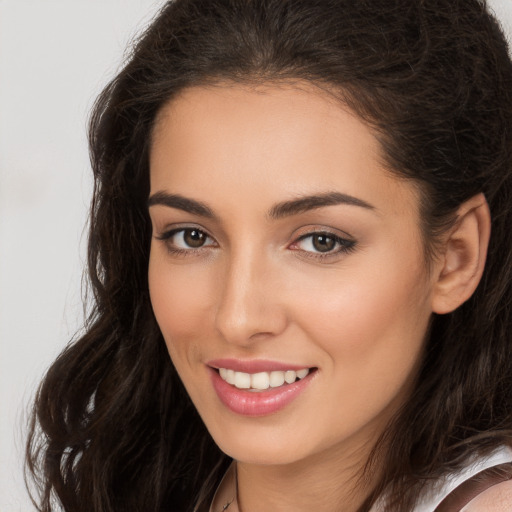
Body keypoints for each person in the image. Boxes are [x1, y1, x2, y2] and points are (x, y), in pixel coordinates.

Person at [25, 0, 512, 511]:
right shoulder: (144, 482)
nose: (237, 318)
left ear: (455, 257)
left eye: (320, 241)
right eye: (191, 236)